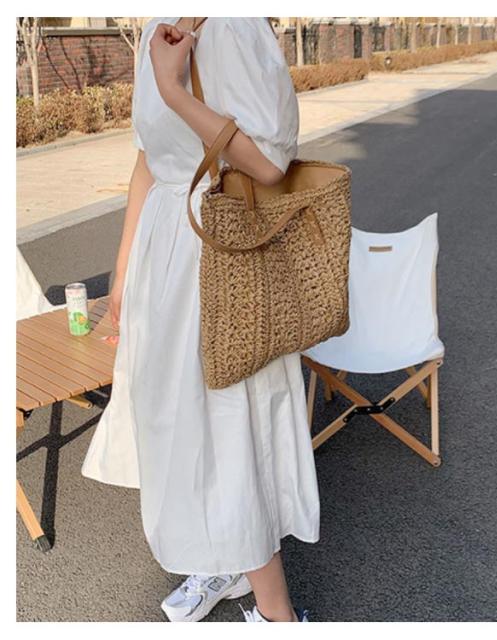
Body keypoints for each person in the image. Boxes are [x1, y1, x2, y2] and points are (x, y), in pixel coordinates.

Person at [81, 17, 320, 623]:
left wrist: (174, 91)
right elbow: (149, 159)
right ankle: (222, 558)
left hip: (221, 248)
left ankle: (278, 615)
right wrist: (124, 271)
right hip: (164, 252)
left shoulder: (233, 25)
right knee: (178, 424)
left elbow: (269, 164)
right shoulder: (157, 26)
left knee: (229, 427)